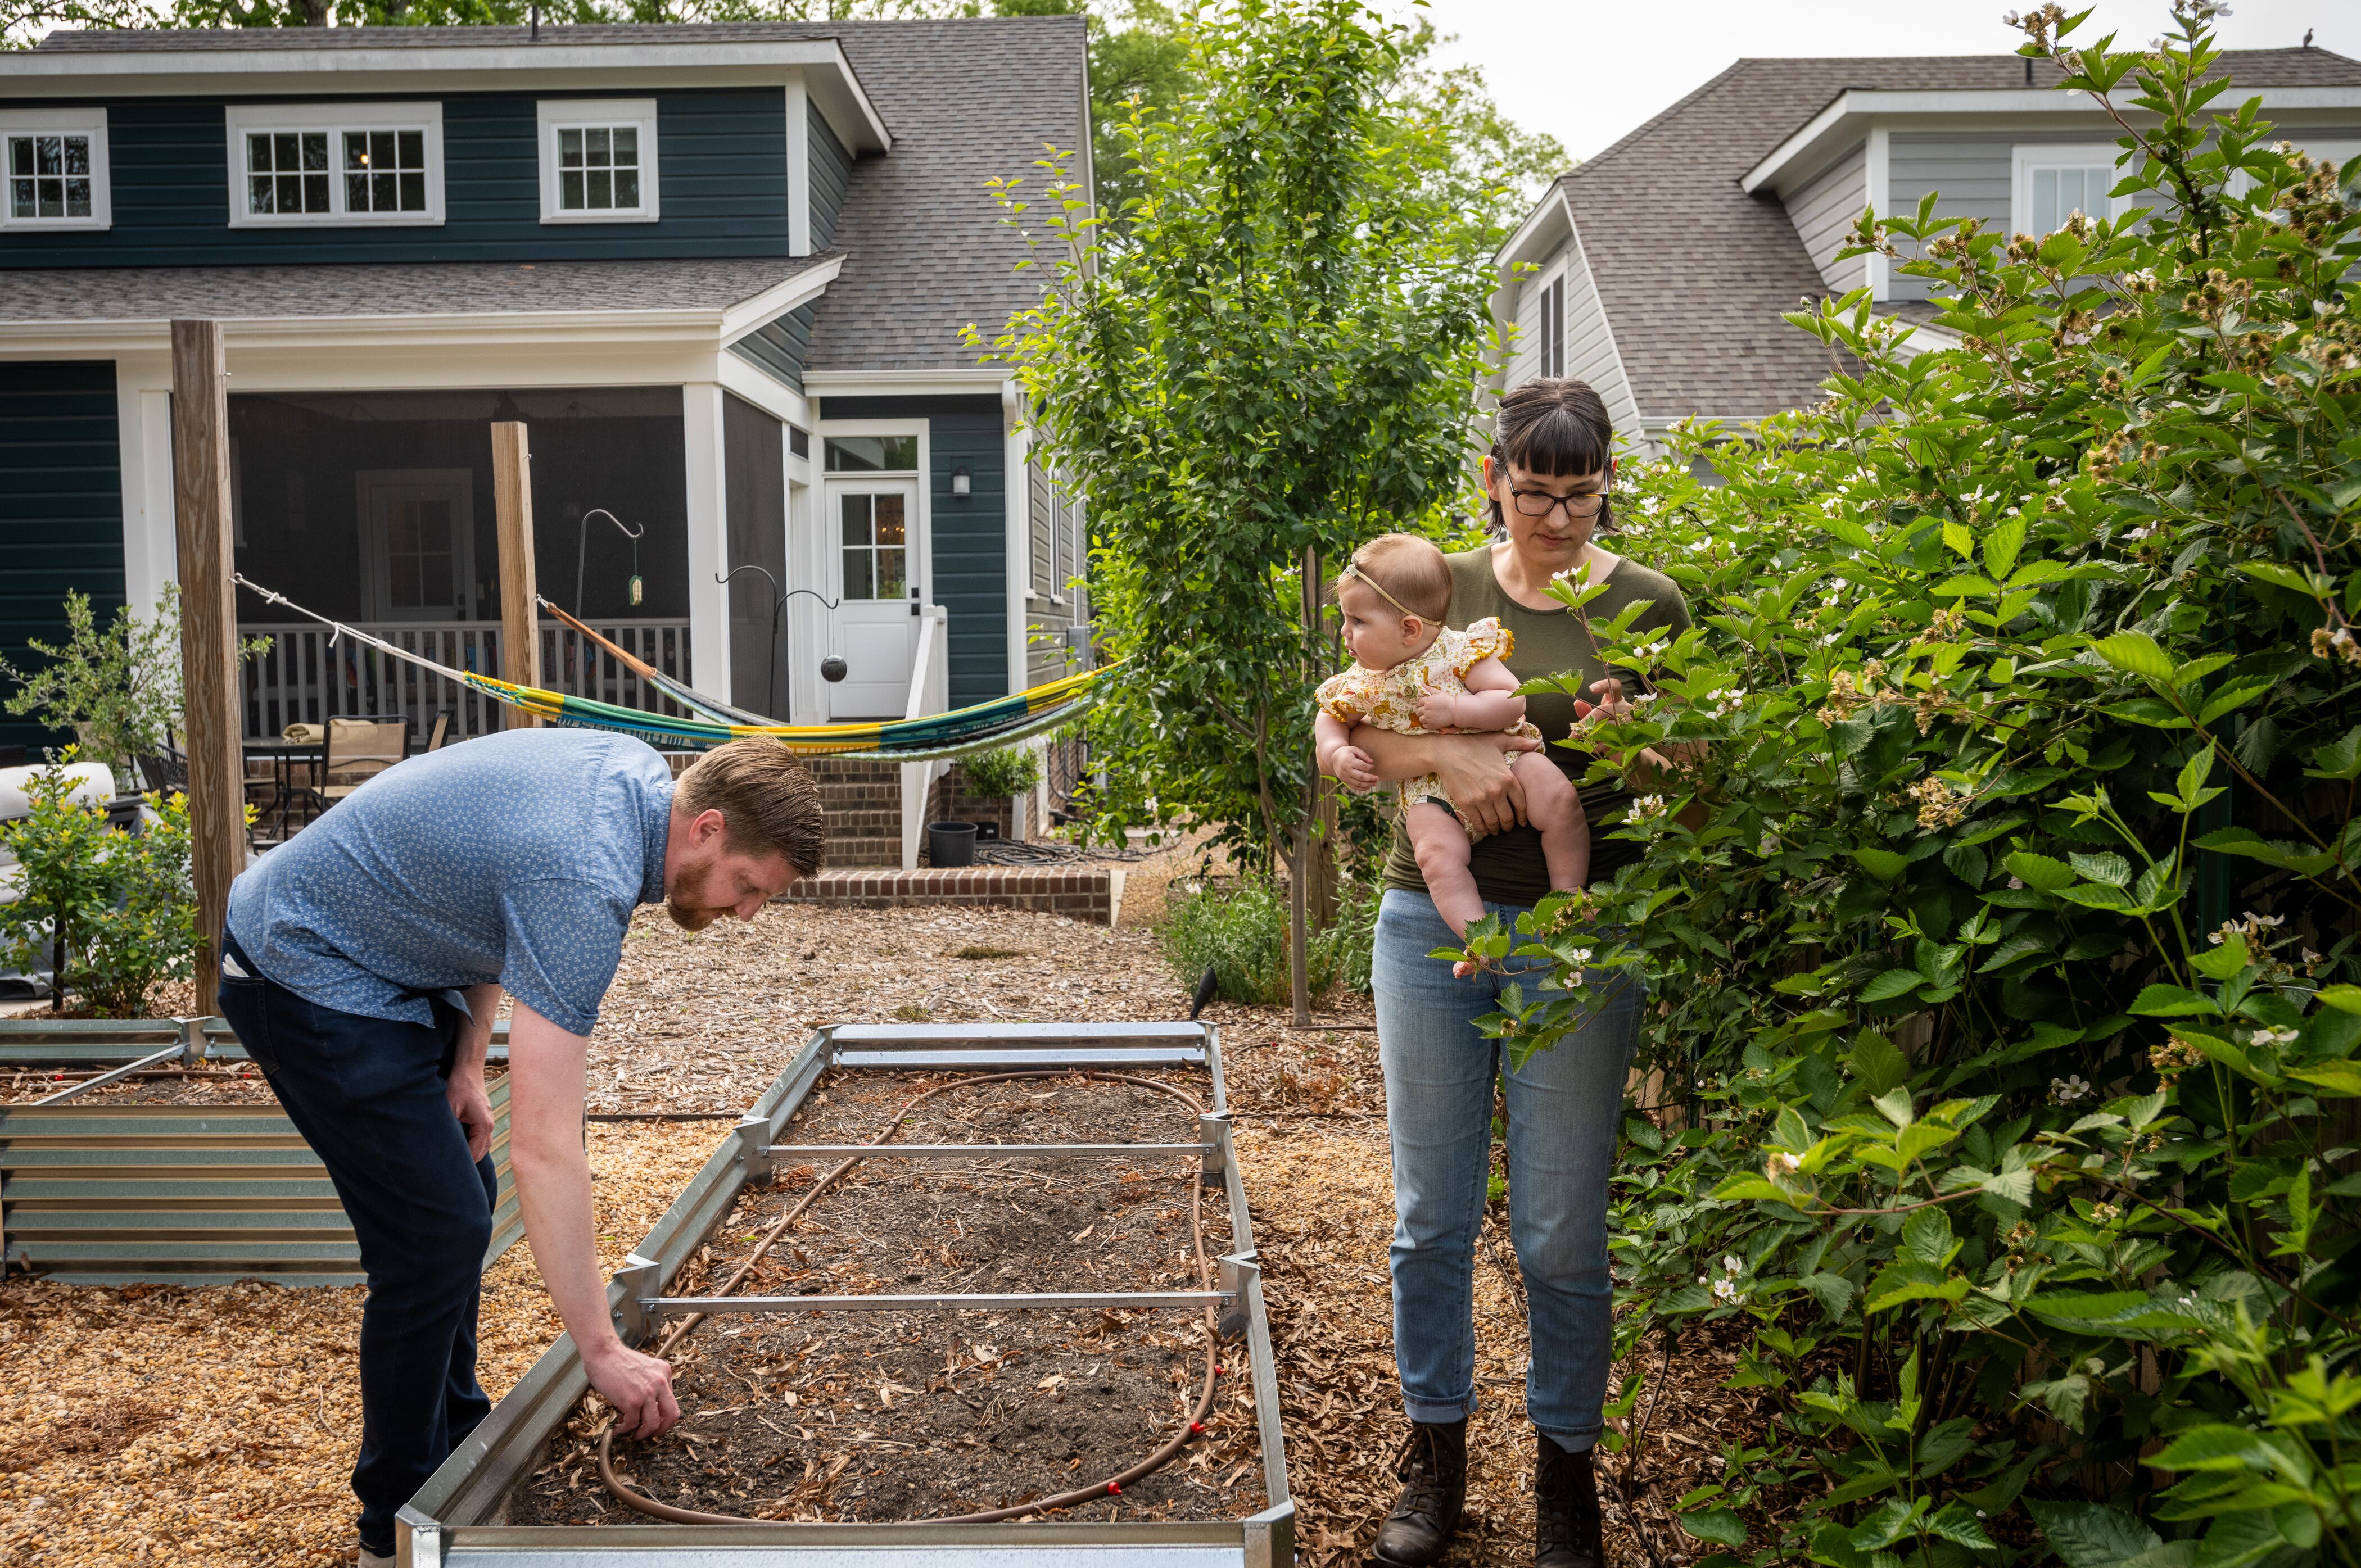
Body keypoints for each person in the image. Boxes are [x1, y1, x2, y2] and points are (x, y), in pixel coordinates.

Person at [213, 730, 825, 1568]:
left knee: (455, 1203)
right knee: (433, 1234)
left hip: (393, 965)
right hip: (301, 962)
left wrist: (467, 1056)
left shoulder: (637, 786)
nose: (746, 913)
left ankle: (457, 1452)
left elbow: (494, 898)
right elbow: (547, 1146)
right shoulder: (586, 875)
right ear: (708, 827)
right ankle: (392, 1529)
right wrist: (601, 1349)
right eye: (749, 886)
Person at [1345, 379, 1693, 1568]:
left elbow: (1689, 767)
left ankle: (1566, 1479)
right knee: (1430, 1216)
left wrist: (1637, 740)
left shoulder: (1649, 604)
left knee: (1558, 1231)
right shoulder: (1438, 582)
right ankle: (1433, 1461)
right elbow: (1344, 724)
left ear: (1608, 485)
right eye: (1534, 493)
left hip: (1575, 937)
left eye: (1580, 494)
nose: (1556, 519)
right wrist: (1447, 747)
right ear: (1494, 478)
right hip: (1427, 927)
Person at [1313, 533, 1588, 978]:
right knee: (1437, 858)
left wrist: (1458, 710)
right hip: (1429, 791)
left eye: (1357, 621)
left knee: (1561, 801)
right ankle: (1479, 941)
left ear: (1409, 629)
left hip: (1507, 758)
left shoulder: (1460, 651)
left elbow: (1512, 701)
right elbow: (1330, 720)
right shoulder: (1361, 681)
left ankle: (1568, 898)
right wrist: (1337, 751)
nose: (1345, 632)